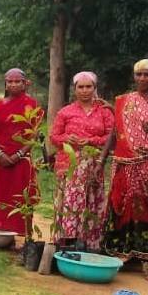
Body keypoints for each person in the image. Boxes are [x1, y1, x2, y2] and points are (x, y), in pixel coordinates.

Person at [104, 59, 148, 272]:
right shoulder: (125, 100)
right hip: (122, 162)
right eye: (139, 74)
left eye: (147, 75)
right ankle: (121, 253)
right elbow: (114, 132)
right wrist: (102, 159)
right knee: (120, 205)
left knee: (147, 206)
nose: (142, 79)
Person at [50, 72, 114, 251]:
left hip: (93, 165)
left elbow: (111, 137)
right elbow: (53, 136)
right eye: (81, 87)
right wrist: (66, 139)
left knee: (90, 201)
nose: (85, 91)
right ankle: (66, 241)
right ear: (75, 89)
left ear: (95, 88)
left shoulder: (104, 112)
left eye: (89, 87)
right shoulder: (66, 112)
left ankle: (89, 243)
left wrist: (92, 140)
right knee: (69, 201)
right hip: (68, 165)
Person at [0, 68, 42, 236]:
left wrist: (18, 155)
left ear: (25, 84)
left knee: (21, 194)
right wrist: (0, 154)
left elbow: (34, 134)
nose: (13, 84)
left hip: (22, 158)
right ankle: (0, 230)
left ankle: (23, 233)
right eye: (10, 81)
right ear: (5, 84)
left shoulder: (32, 104)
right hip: (0, 158)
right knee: (0, 193)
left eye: (17, 81)